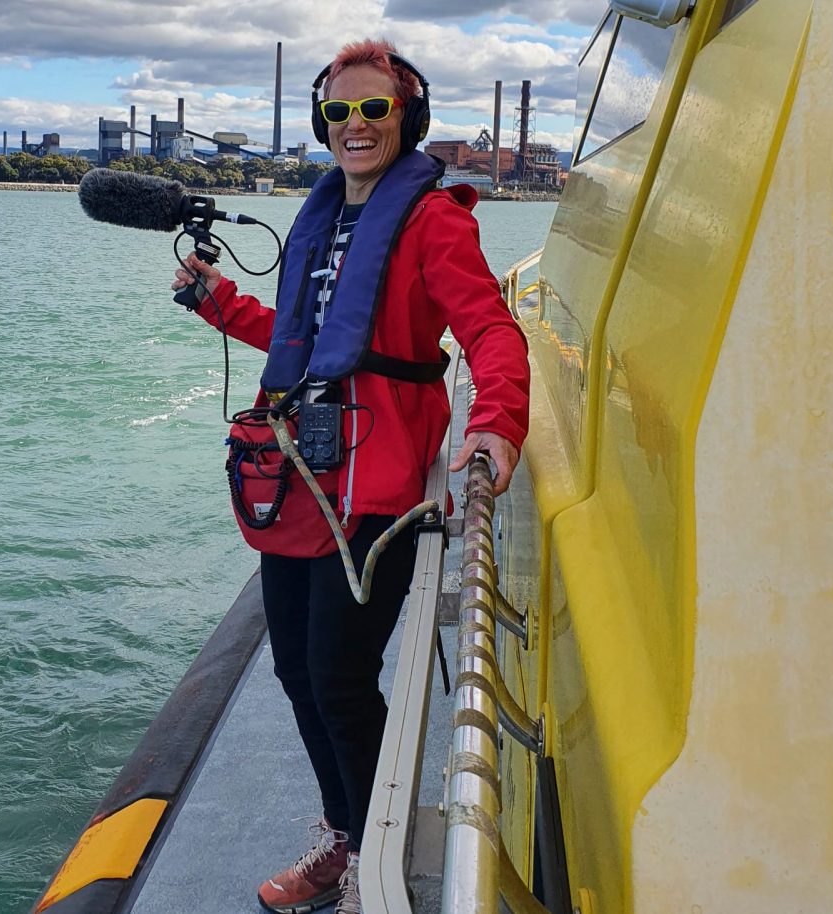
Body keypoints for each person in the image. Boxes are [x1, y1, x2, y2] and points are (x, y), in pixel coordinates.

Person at [172, 39, 529, 914]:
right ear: (321, 124)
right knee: (294, 667)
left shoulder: (434, 218)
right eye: (339, 111)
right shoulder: (320, 214)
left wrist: (496, 425)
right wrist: (218, 301)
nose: (356, 125)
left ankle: (377, 858)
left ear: (408, 118)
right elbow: (304, 343)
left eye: (375, 109)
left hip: (377, 490)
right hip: (298, 475)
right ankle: (345, 833)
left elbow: (491, 332)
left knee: (337, 673)